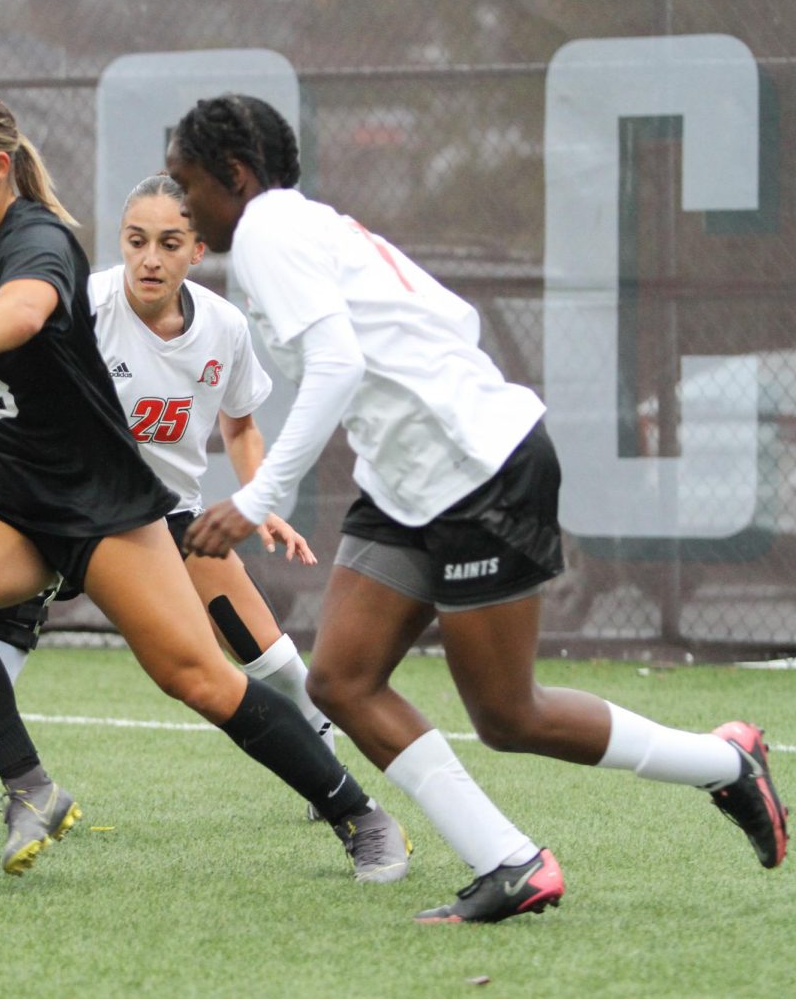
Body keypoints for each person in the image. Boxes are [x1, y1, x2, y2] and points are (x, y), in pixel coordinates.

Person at [165, 93, 789, 923]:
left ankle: (725, 762)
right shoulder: (309, 226)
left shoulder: (272, 231)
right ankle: (511, 862)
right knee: (342, 681)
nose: (180, 204)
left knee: (507, 713)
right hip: (408, 485)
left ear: (236, 177)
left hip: (482, 474)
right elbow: (446, 316)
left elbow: (339, 362)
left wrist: (259, 497)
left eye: (187, 184)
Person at [0, 84, 410, 883]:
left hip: (98, 508)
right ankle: (30, 786)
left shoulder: (39, 241)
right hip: (0, 499)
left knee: (202, 679)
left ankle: (361, 816)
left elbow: (22, 312)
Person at [0, 173, 338, 825]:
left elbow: (239, 426)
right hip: (67, 500)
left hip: (164, 508)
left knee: (252, 641)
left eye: (170, 242)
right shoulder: (80, 306)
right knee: (8, 608)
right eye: (136, 240)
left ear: (198, 249)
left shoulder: (225, 328)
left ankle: (321, 740)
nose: (150, 258)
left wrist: (262, 501)